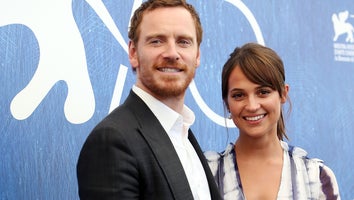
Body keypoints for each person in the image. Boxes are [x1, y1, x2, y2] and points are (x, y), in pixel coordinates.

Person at [76, 0, 222, 199]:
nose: (172, 53)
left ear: (197, 55)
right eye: (157, 41)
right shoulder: (112, 141)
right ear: (133, 53)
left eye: (183, 42)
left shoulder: (183, 135)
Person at [205, 43, 340, 200]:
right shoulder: (206, 172)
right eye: (239, 95)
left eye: (263, 92)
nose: (252, 106)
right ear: (227, 103)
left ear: (283, 94)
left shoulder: (316, 177)